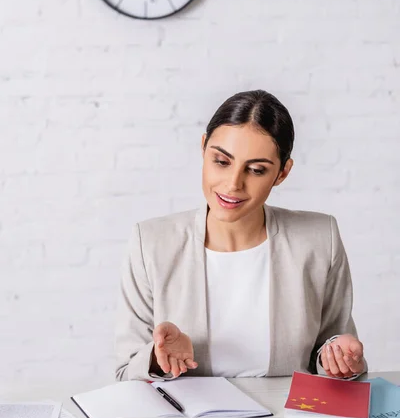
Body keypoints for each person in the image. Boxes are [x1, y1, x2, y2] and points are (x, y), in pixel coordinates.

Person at [115, 90, 367, 382]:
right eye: (221, 161)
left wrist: (339, 358)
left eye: (257, 169)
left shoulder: (320, 238)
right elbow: (127, 369)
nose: (233, 184)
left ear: (282, 173)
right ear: (203, 148)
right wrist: (160, 359)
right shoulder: (152, 242)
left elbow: (330, 348)